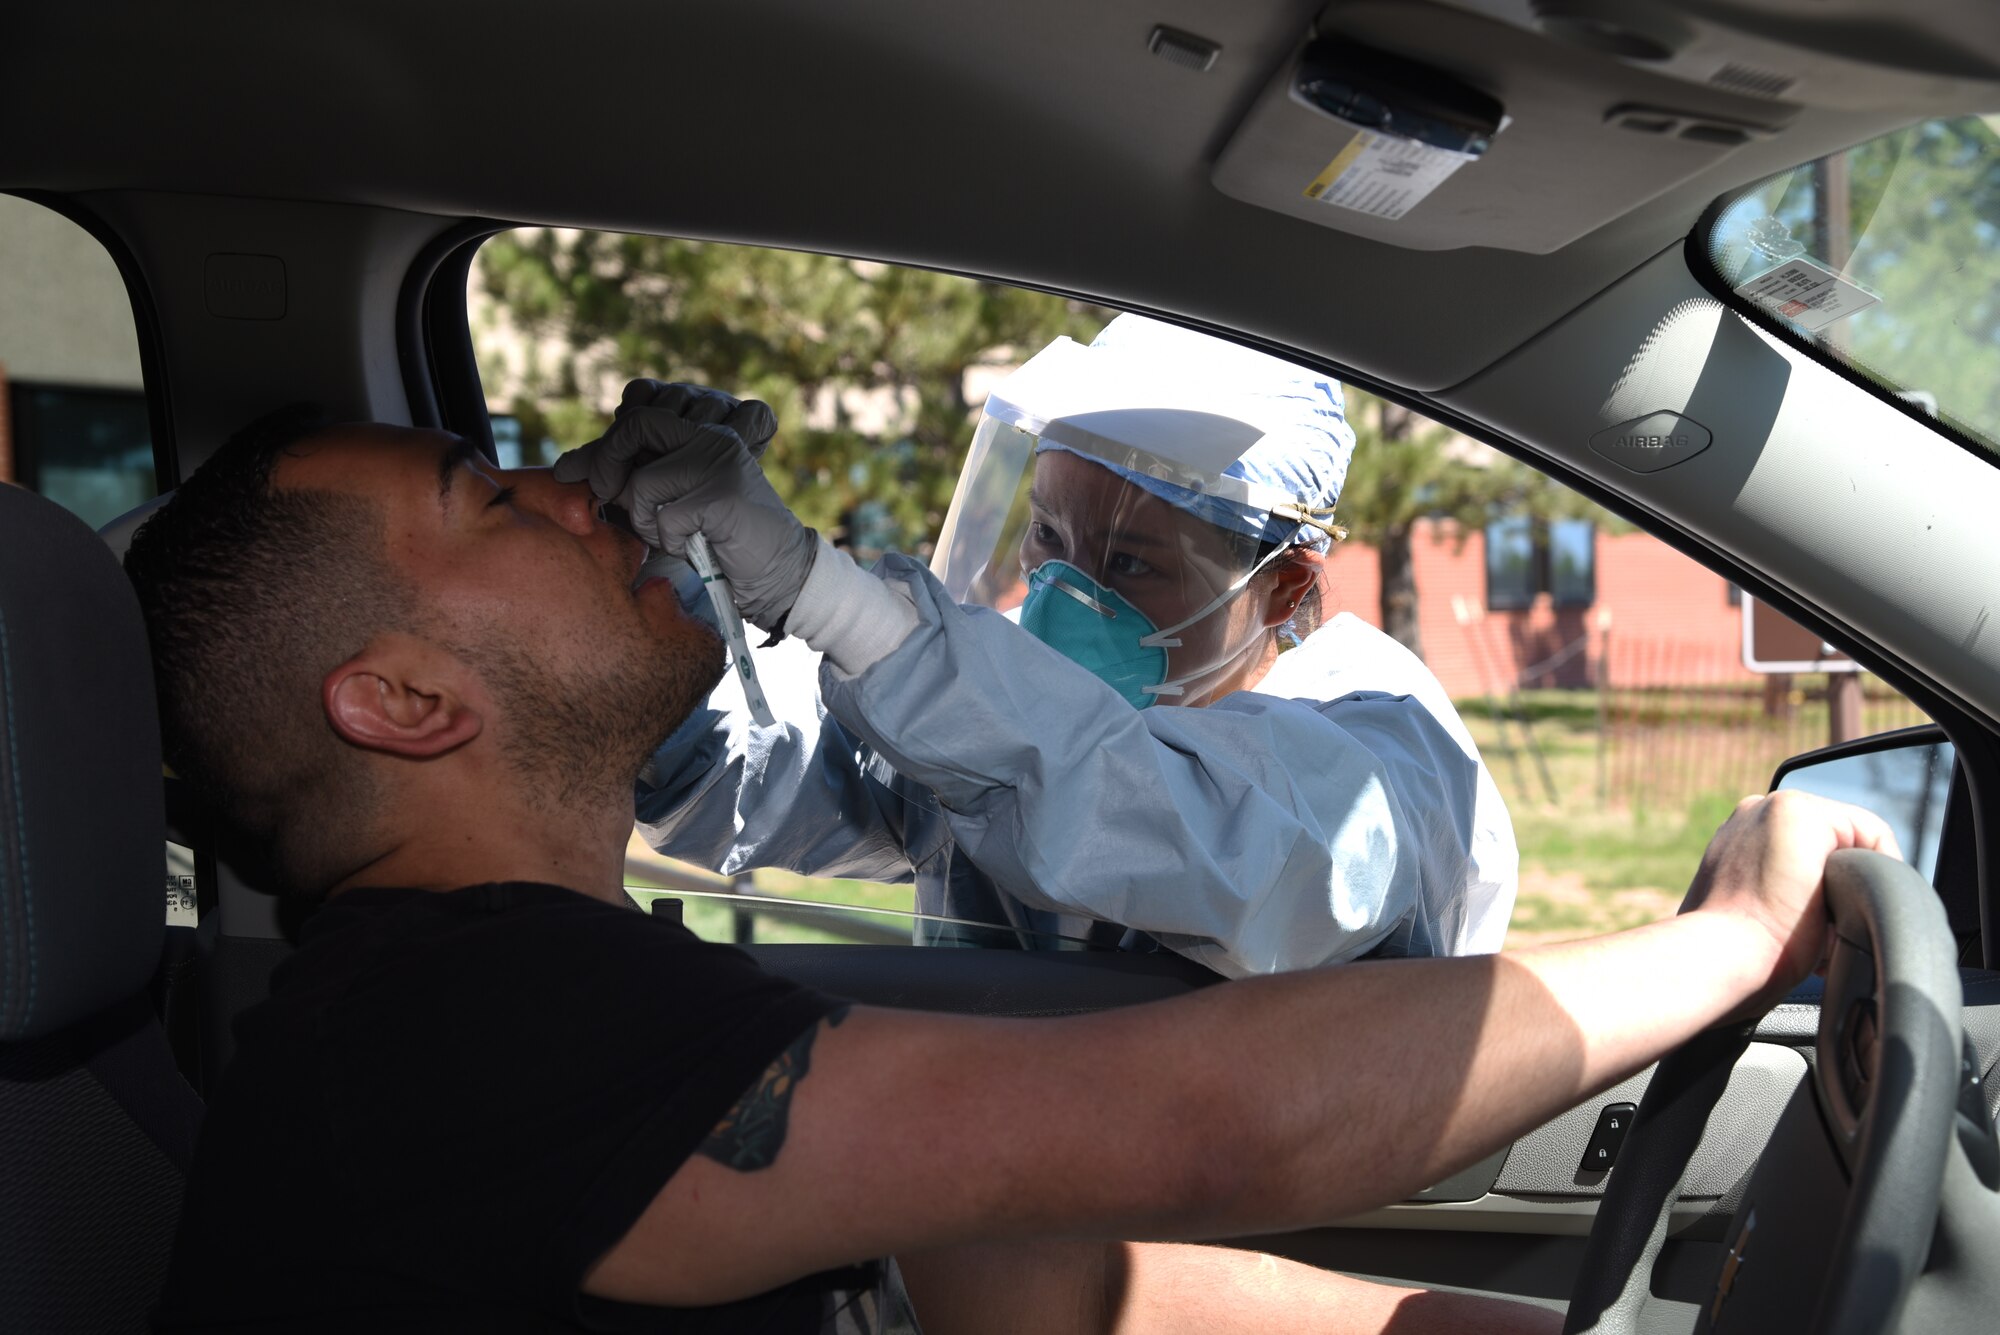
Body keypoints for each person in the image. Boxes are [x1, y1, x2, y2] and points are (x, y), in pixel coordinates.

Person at [127, 406, 1896, 1335]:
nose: (582, 490)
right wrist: (1734, 931)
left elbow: (1030, 1278)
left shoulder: (509, 999)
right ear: (406, 700)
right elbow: (1219, 1125)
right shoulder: (472, 1027)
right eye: (492, 498)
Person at [608, 317, 1514, 977]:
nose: (1065, 591)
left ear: (1280, 585)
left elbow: (1223, 847)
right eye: (1047, 535)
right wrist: (662, 574)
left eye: (1130, 560)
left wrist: (826, 596)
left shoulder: (1381, 747)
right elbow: (744, 767)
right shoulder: (988, 695)